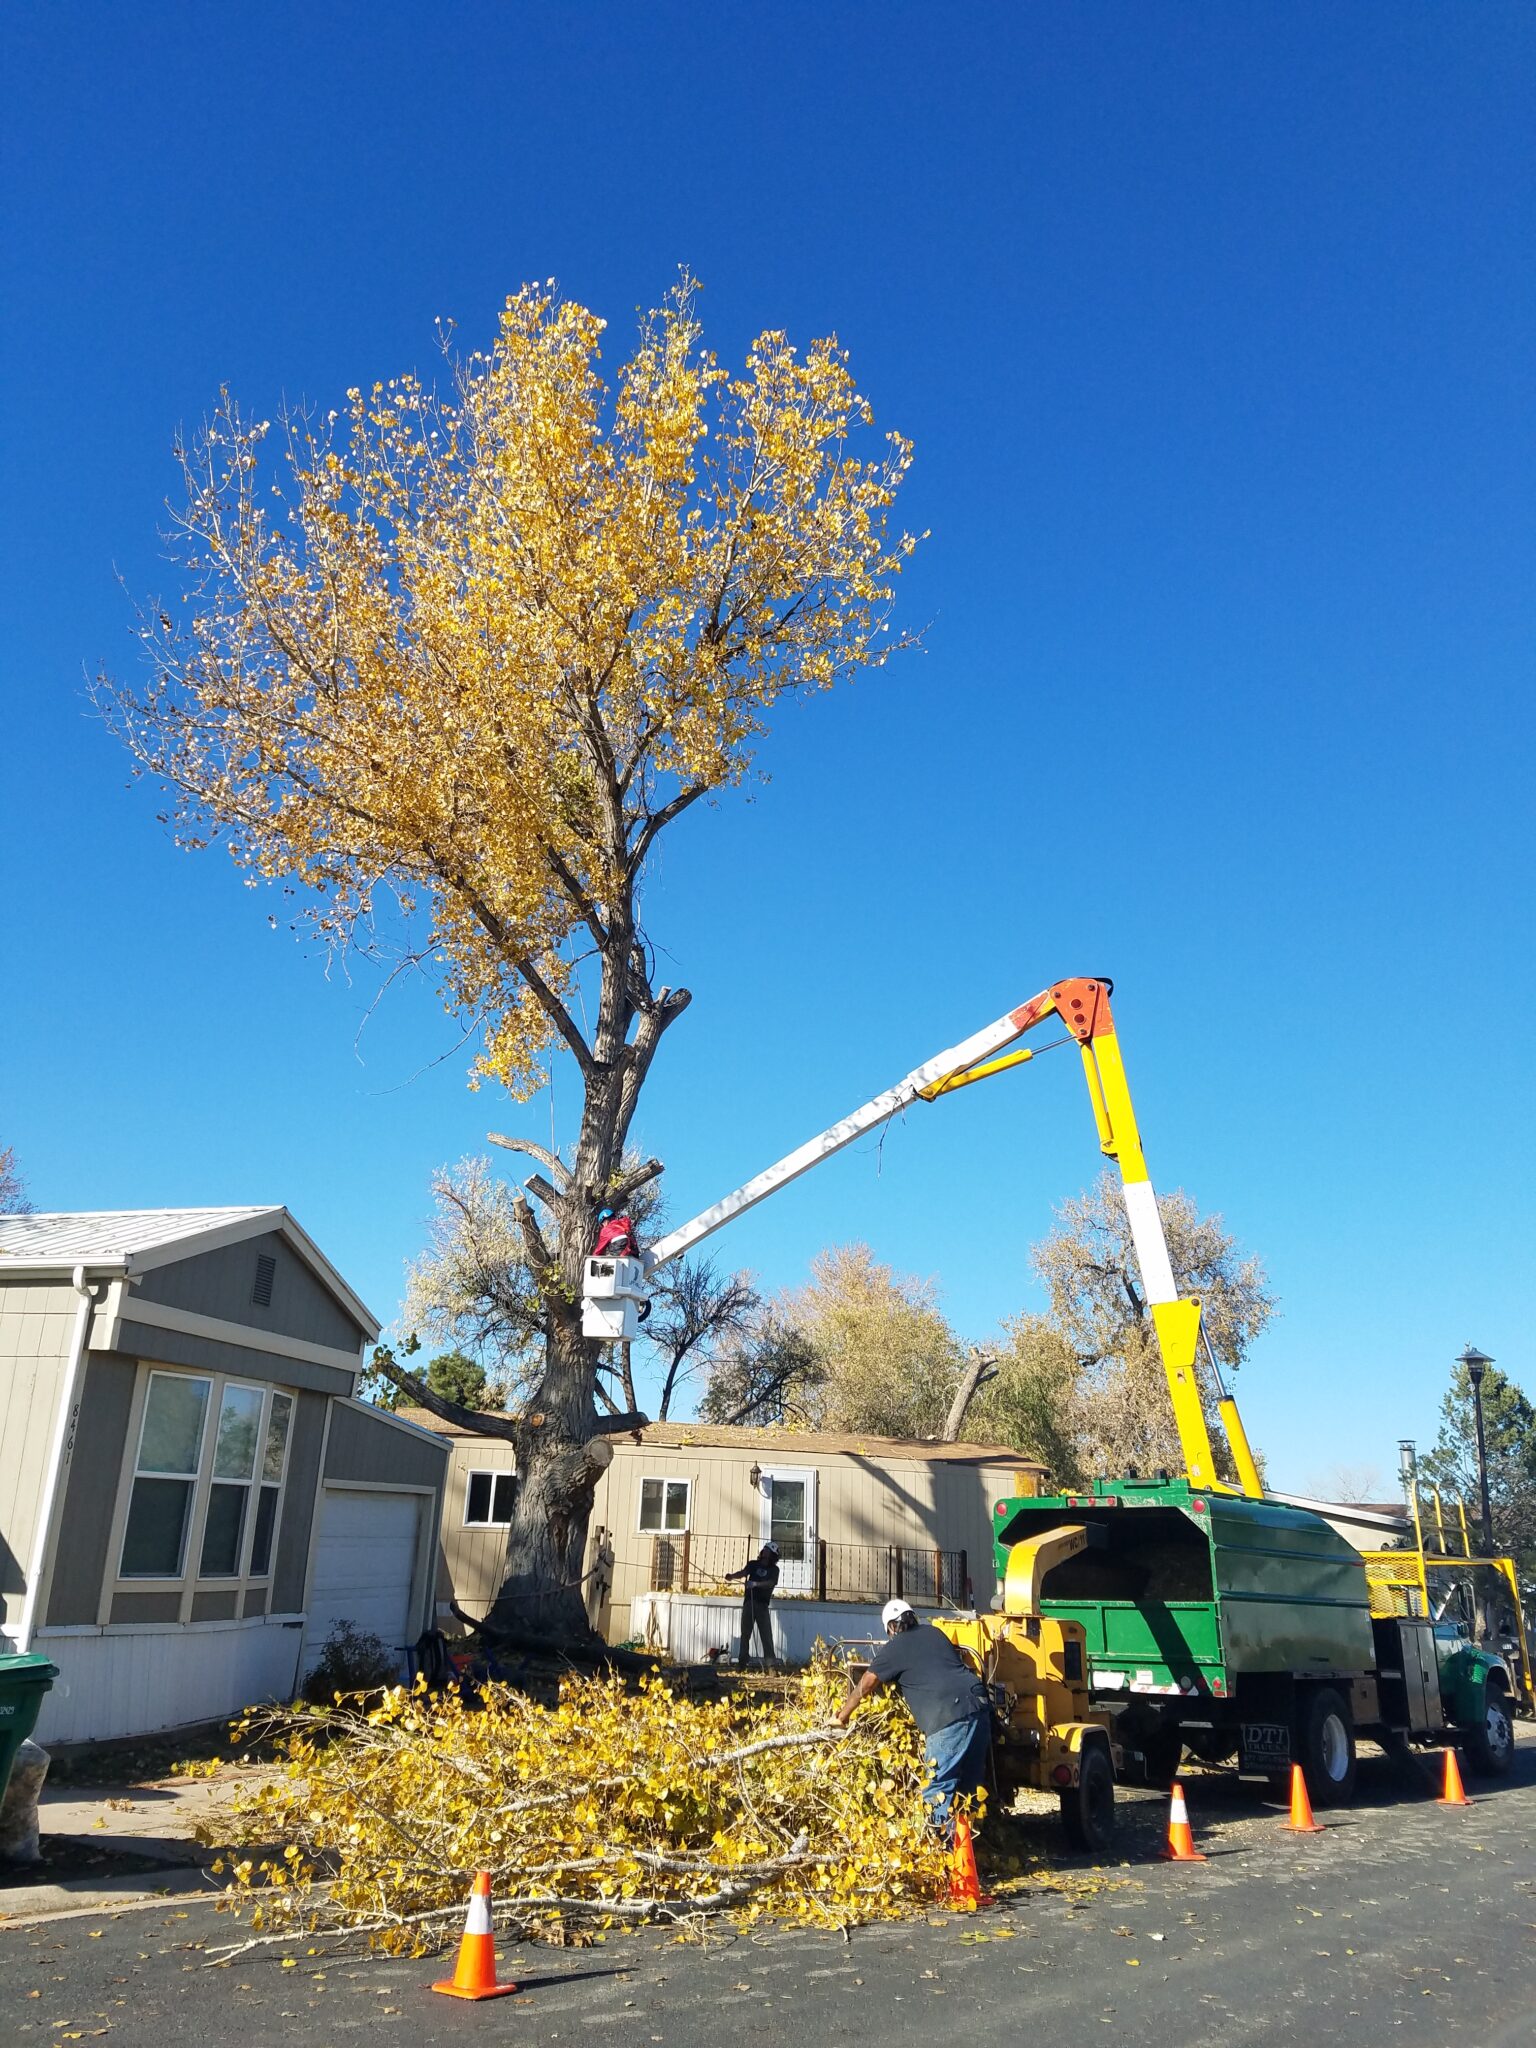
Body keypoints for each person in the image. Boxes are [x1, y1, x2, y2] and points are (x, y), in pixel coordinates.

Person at [833, 1597, 993, 1834]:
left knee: (938, 1788)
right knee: (969, 1789)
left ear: (891, 1627)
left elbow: (866, 1683)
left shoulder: (895, 1648)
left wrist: (842, 1716)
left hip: (948, 1716)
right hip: (979, 1706)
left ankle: (941, 1856)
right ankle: (965, 1857)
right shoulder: (935, 1633)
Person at [725, 1541, 780, 1668]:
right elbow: (744, 1572)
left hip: (762, 1605)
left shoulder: (774, 1570)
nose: (764, 1550)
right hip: (749, 1603)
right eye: (764, 1548)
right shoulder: (753, 1564)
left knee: (766, 1635)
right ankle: (742, 1662)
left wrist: (755, 1584)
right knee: (745, 1634)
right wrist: (732, 1576)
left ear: (773, 1554)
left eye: (768, 1549)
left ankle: (771, 1665)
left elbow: (770, 1583)